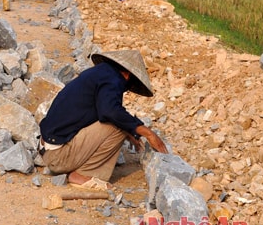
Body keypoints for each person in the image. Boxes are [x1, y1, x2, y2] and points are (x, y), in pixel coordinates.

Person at [39, 49, 168, 187]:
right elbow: (111, 112)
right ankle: (85, 173)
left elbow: (102, 110)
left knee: (122, 122)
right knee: (118, 126)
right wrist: (148, 133)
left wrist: (132, 131)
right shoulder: (113, 80)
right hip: (59, 157)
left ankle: (79, 164)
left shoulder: (101, 74)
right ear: (128, 75)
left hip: (47, 149)